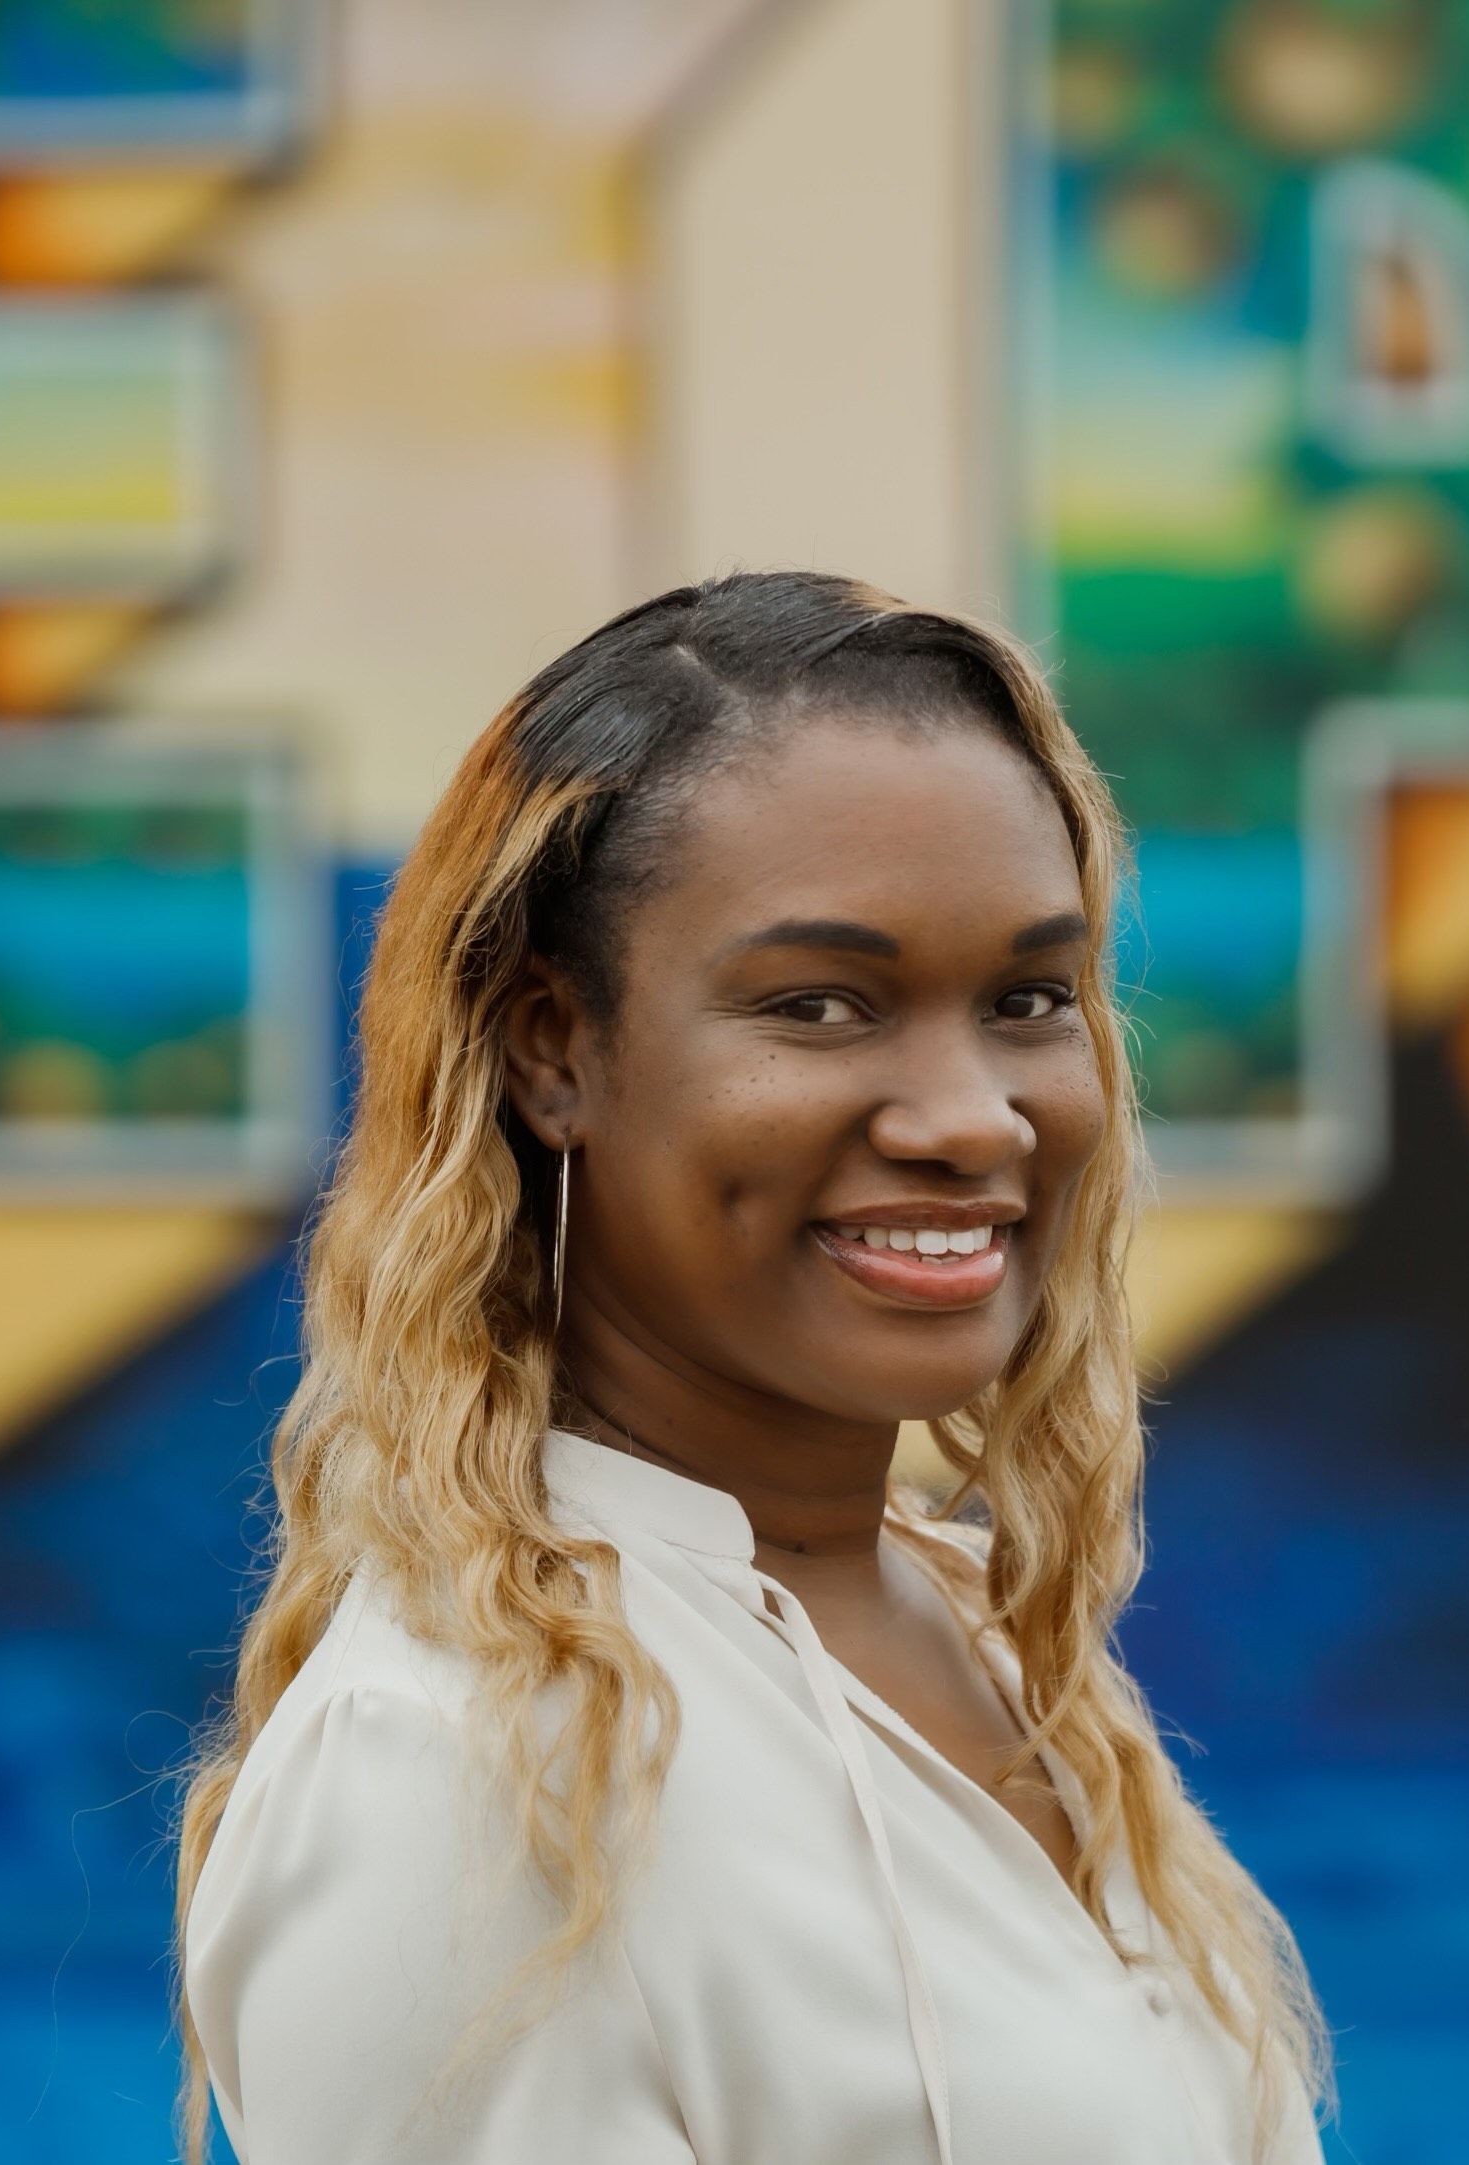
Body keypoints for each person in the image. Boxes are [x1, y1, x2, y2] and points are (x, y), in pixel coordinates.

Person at [173, 571, 1334, 2163]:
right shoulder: (454, 1769)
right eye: (822, 1004)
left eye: (1028, 998)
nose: (971, 1115)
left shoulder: (987, 1637)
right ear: (553, 1047)